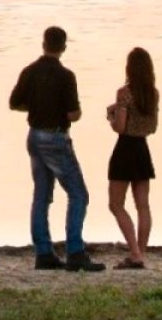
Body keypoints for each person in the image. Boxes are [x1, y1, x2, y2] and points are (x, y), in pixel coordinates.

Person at [9, 25, 103, 272]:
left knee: (41, 195)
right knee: (78, 194)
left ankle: (43, 253)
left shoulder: (29, 71)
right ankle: (75, 251)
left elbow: (14, 103)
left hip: (34, 136)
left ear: (43, 44)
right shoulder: (65, 76)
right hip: (55, 137)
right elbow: (73, 114)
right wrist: (73, 113)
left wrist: (35, 108)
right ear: (63, 47)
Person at [105, 47, 159, 270]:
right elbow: (152, 126)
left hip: (125, 148)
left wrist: (111, 115)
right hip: (142, 148)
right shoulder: (152, 93)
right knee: (143, 205)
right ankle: (141, 253)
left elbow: (120, 126)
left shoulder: (124, 93)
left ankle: (135, 253)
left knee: (116, 204)